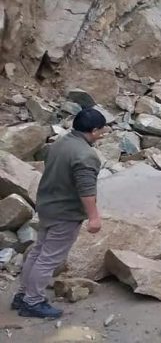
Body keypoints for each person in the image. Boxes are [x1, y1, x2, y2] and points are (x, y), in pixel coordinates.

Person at [12, 108, 107, 318]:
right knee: (48, 259)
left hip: (47, 206)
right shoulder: (86, 155)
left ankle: (22, 295)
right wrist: (94, 217)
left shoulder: (62, 142)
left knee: (38, 252)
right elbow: (86, 190)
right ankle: (33, 302)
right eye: (101, 130)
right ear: (93, 131)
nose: (103, 133)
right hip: (65, 214)